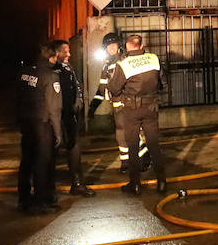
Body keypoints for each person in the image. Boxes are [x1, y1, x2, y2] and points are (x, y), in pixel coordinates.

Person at [107, 32, 167, 195]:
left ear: (127, 47)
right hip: (151, 107)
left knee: (132, 146)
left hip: (131, 110)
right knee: (154, 145)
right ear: (142, 46)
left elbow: (114, 88)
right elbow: (163, 83)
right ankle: (162, 182)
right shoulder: (154, 59)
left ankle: (135, 184)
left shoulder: (124, 64)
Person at [86, 32, 150, 174]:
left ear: (119, 45)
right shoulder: (106, 66)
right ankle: (126, 162)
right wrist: (93, 107)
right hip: (116, 106)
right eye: (108, 46)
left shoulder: (126, 60)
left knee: (131, 133)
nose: (111, 48)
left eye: (113, 45)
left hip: (129, 103)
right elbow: (102, 88)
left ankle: (145, 158)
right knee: (120, 135)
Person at [46, 39, 94, 197]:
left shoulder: (68, 68)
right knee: (50, 152)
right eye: (65, 51)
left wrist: (78, 100)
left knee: (74, 148)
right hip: (55, 117)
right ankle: (47, 189)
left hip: (69, 116)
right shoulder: (50, 70)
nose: (69, 54)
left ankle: (77, 183)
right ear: (56, 53)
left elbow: (76, 85)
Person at [15, 44, 59, 214]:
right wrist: (58, 132)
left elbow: (17, 98)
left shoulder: (24, 73)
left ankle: (24, 198)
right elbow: (54, 107)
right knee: (42, 161)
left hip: (26, 122)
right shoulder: (50, 75)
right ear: (52, 58)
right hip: (42, 124)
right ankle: (41, 200)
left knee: (26, 160)